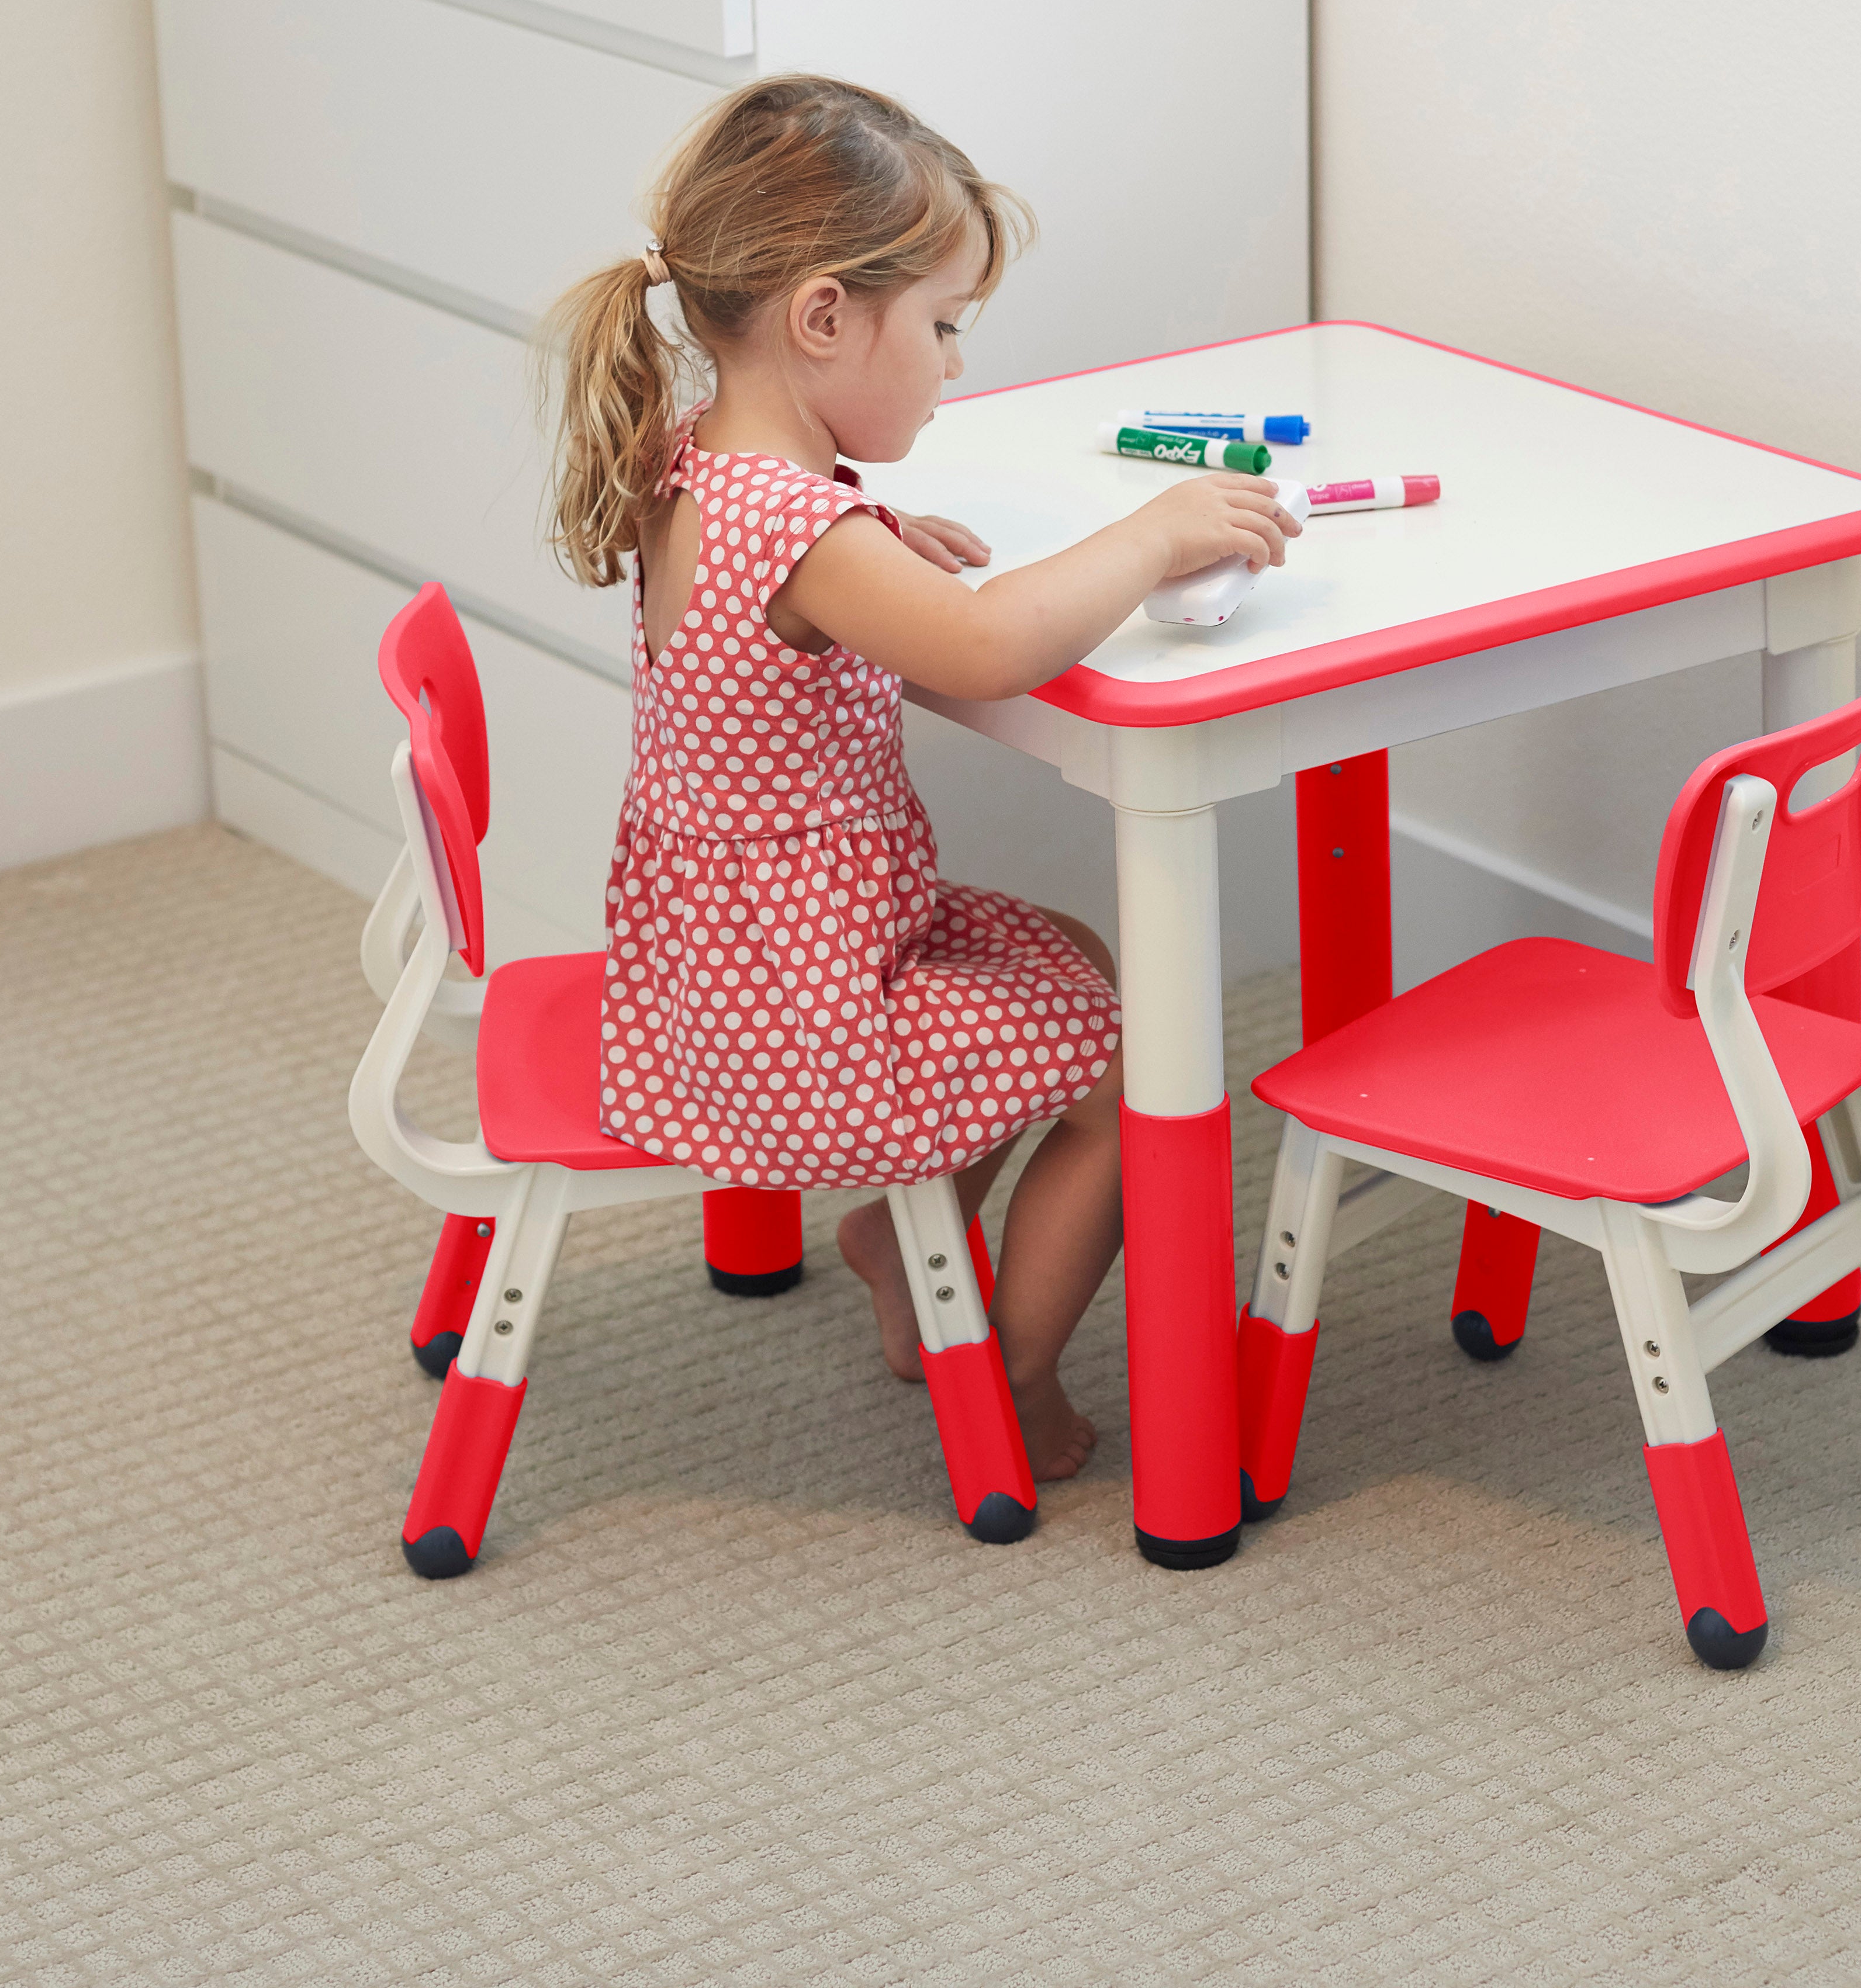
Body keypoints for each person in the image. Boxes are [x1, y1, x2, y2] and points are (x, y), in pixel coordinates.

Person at [544, 74, 1297, 1478]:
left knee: (1067, 955)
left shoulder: (697, 458)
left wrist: (875, 539)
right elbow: (988, 643)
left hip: (732, 967)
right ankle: (1009, 1375)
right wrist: (1152, 534)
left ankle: (904, 1236)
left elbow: (807, 569)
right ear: (823, 318)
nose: (953, 364)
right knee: (1138, 1073)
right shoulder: (801, 531)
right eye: (944, 325)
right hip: (802, 1018)